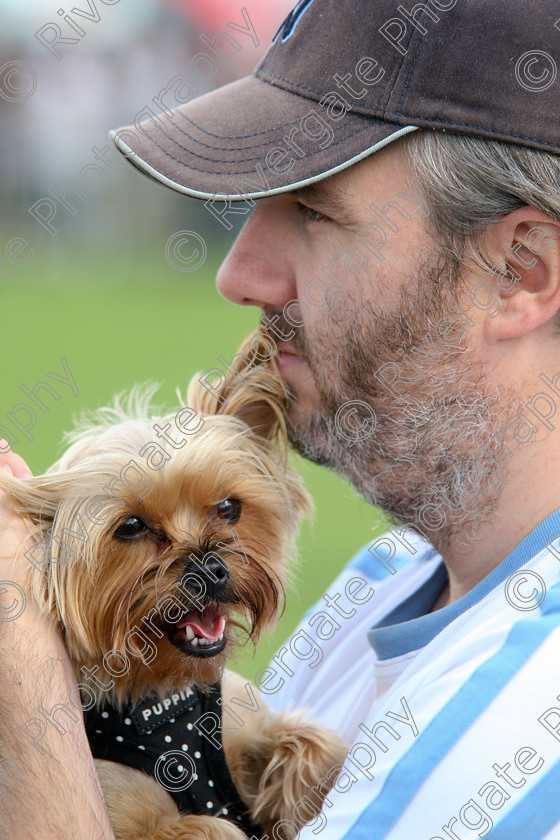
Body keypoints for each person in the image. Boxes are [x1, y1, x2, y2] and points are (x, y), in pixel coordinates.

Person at [2, 0, 560, 837]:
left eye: (312, 209)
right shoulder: (392, 578)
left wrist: (20, 677)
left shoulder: (520, 730)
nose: (237, 273)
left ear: (519, 270)